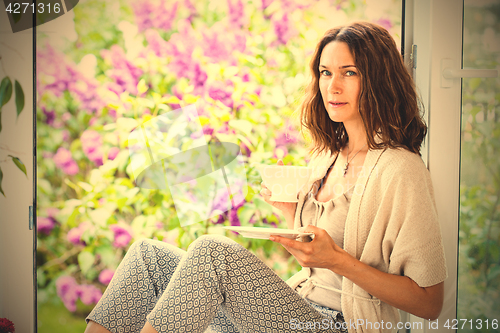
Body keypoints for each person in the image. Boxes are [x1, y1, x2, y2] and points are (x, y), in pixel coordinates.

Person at [84, 21, 447, 333]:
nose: (332, 86)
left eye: (349, 72)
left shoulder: (401, 170)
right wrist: (292, 217)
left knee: (213, 252)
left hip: (340, 325)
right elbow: (319, 263)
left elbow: (429, 303)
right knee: (148, 257)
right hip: (297, 308)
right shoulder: (327, 158)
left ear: (379, 79)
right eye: (325, 72)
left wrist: (337, 259)